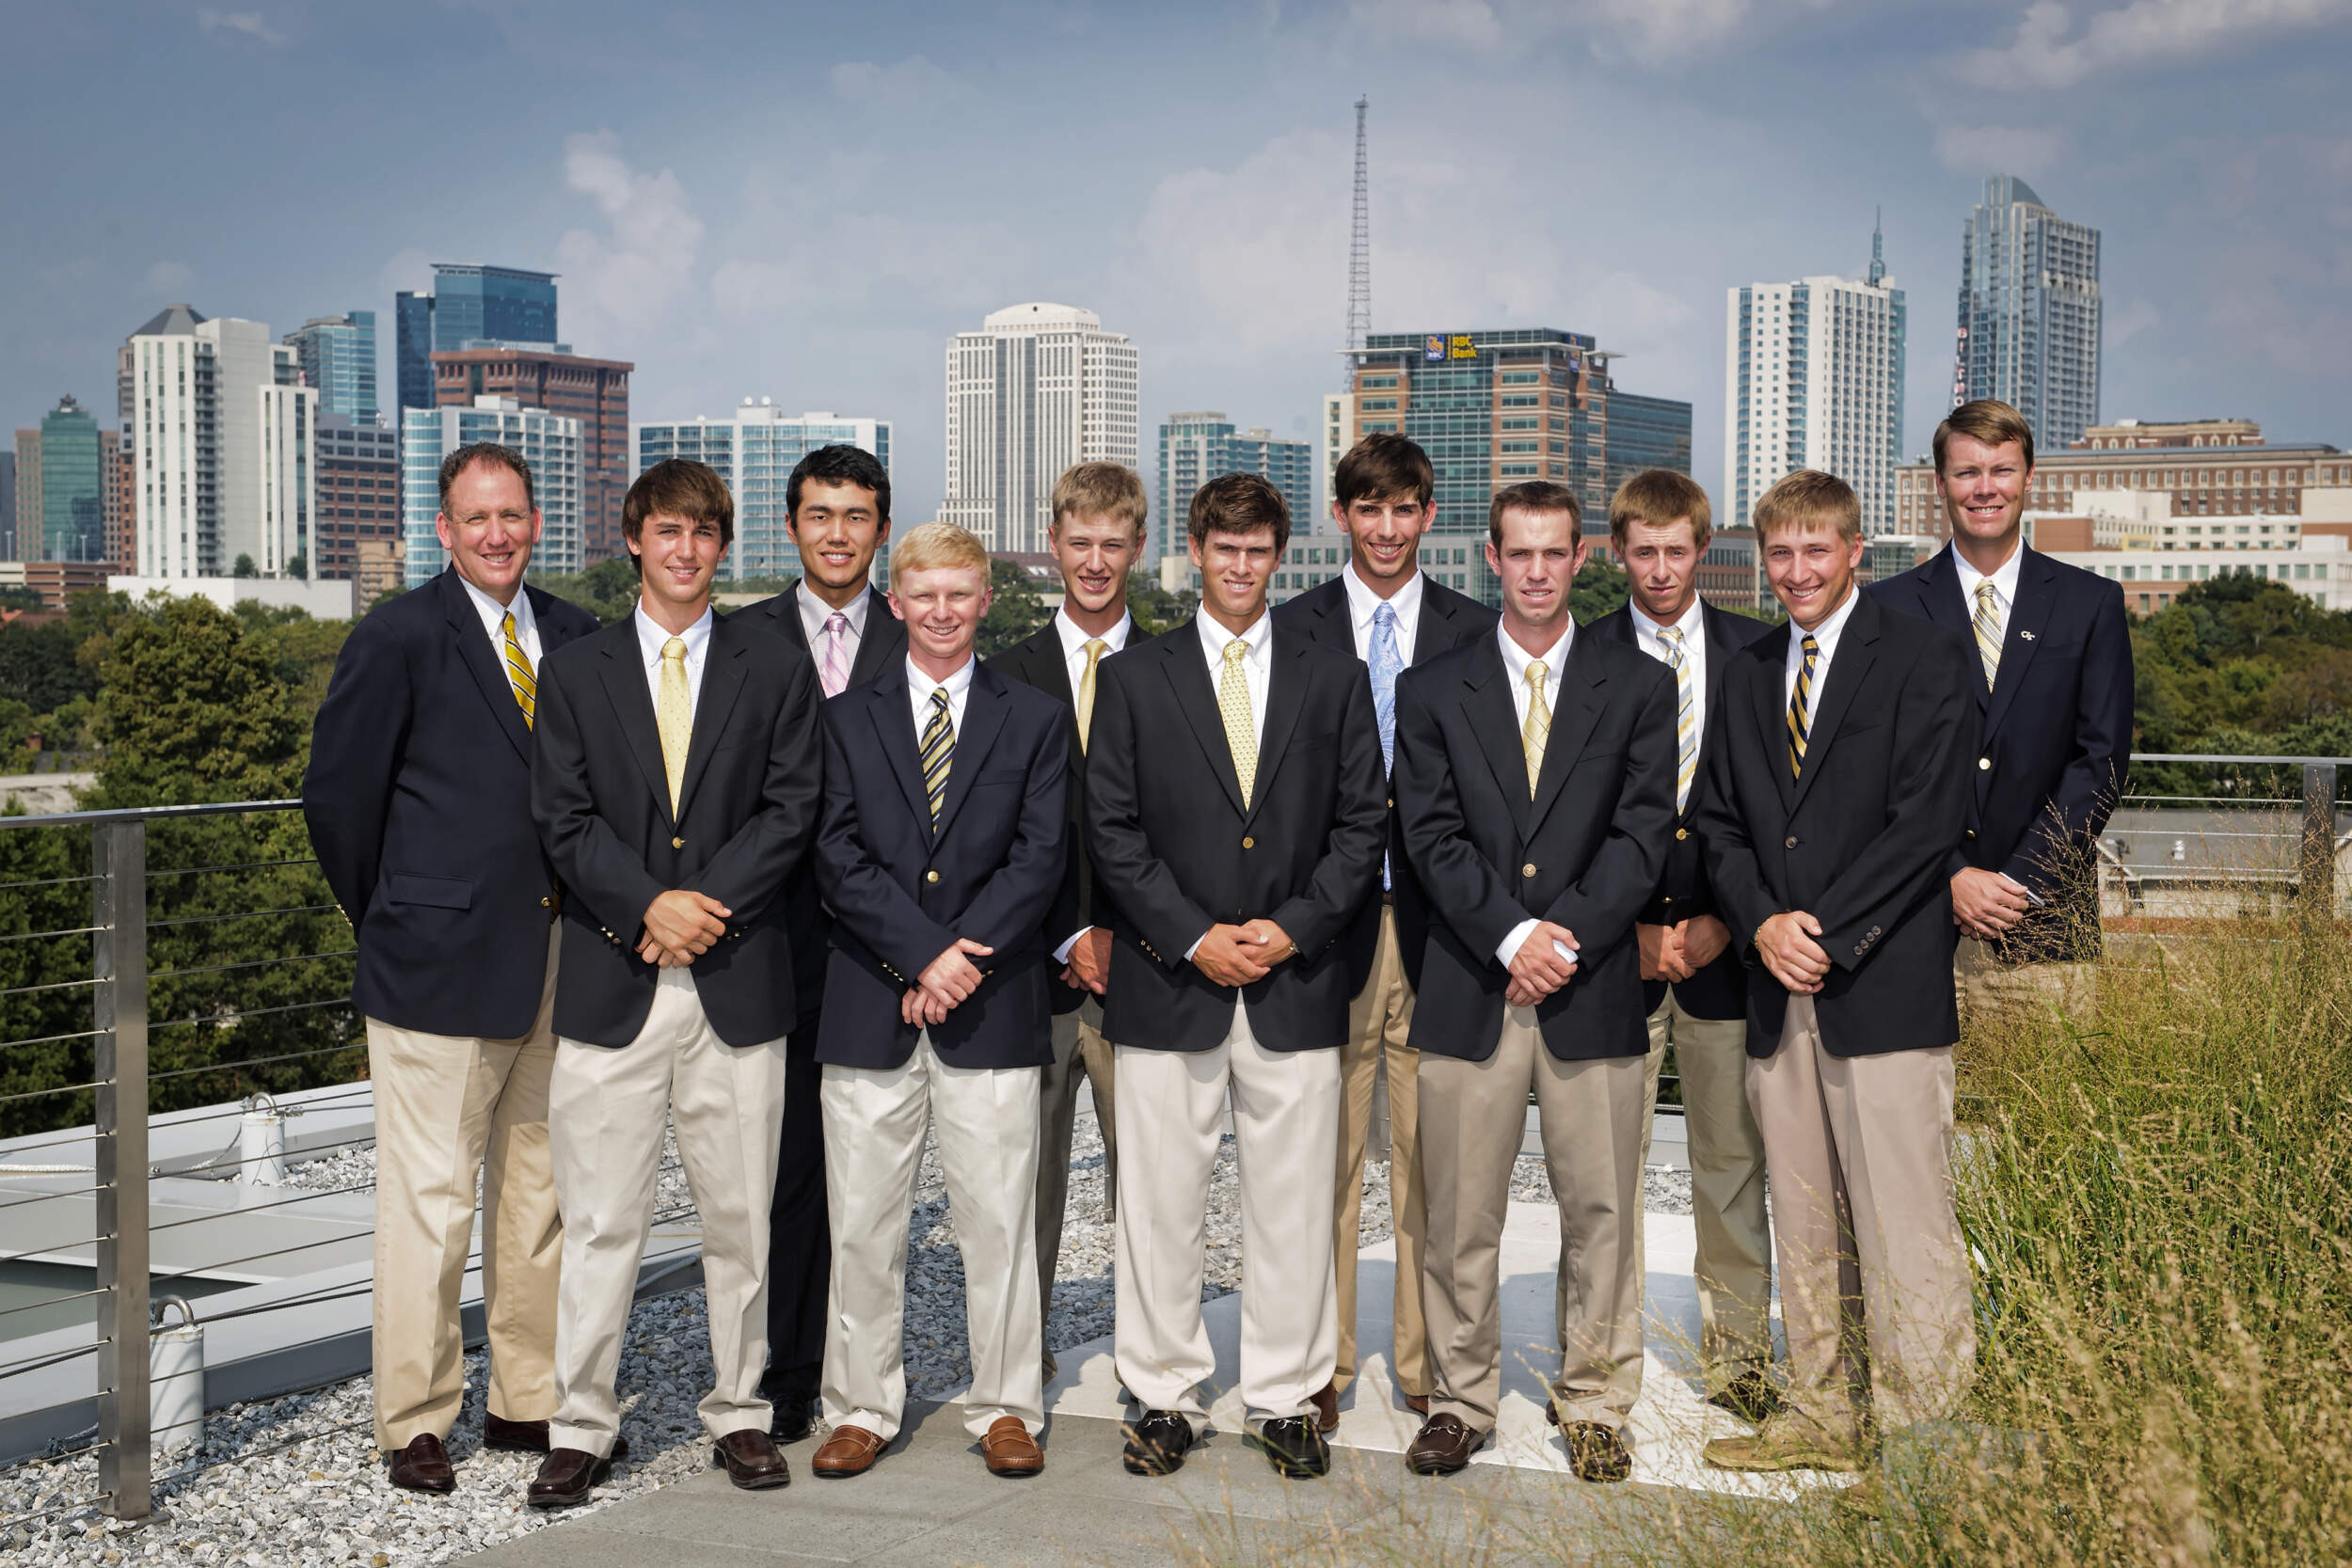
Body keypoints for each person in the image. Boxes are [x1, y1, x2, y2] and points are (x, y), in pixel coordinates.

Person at [525, 458, 823, 1508]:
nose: (686, 549)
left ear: (723, 545)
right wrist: (646, 905)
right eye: (667, 531)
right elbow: (562, 818)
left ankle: (739, 1413)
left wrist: (702, 906)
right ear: (634, 540)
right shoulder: (574, 671)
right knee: (603, 1219)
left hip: (738, 979)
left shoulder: (775, 663)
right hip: (614, 979)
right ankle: (583, 1421)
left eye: (704, 532)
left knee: (739, 1216)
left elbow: (793, 809)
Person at [304, 444, 600, 1494]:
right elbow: (338, 801)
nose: (496, 534)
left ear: (535, 520)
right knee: (430, 1204)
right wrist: (388, 913)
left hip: (559, 963)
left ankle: (526, 1398)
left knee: (541, 1193)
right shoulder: (396, 637)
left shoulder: (572, 634)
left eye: (512, 514)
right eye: (476, 518)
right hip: (432, 967)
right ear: (443, 527)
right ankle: (417, 1415)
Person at [1086, 472, 1387, 1480]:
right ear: (1195, 549)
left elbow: (1361, 827)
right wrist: (1191, 933)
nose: (1242, 565)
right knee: (1161, 1201)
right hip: (1170, 978)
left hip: (1292, 979)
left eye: (1259, 549)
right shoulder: (1135, 677)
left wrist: (1292, 930)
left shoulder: (1331, 674)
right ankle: (1163, 1394)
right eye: (1225, 548)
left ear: (1280, 552)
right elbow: (1112, 833)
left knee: (1295, 1201)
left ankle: (1285, 1397)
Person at [1695, 469, 1979, 1484]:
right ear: (1761, 557)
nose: (1798, 570)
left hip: (1882, 988)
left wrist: (1828, 932)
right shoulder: (1747, 669)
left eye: (1818, 550)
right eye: (1780, 552)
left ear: (1857, 549)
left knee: (1906, 1228)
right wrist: (1763, 923)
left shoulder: (1923, 656)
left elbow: (1929, 820)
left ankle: (1922, 1446)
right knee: (1806, 1221)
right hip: (1779, 986)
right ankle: (1822, 1413)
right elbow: (1719, 820)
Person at [1391, 481, 1677, 1483]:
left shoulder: (1637, 683)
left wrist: (1566, 937)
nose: (1539, 571)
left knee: (1601, 1212)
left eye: (1556, 553)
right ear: (1490, 555)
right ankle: (1460, 1400)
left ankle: (1596, 1401)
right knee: (1459, 1215)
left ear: (1581, 556)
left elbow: (1644, 835)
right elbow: (1426, 834)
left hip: (1589, 987)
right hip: (1472, 982)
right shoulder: (1431, 687)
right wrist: (1513, 936)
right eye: (1521, 553)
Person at [805, 522, 1070, 1481]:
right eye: (926, 594)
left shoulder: (1034, 718)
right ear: (896, 601)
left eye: (961, 592)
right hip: (871, 1000)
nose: (944, 610)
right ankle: (861, 1405)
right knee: (864, 1222)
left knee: (997, 1220)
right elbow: (835, 854)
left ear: (985, 597)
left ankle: (1005, 1403)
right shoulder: (843, 717)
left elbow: (1039, 857)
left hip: (992, 1004)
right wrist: (922, 955)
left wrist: (959, 963)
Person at [1272, 432, 1495, 1431]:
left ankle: (1419, 1359)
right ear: (1341, 516)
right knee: (1321, 1154)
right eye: (1369, 509)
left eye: (1405, 508)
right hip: (1333, 922)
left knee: (1428, 1155)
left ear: (1428, 515)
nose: (1388, 527)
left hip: (1443, 924)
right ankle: (1315, 1360)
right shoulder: (1293, 628)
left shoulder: (1475, 629)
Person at [1584, 469, 1779, 1420]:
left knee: (1731, 1161)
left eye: (1677, 549)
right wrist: (1621, 925)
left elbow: (1780, 811)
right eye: (1642, 549)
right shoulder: (1579, 656)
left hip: (1723, 947)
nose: (1659, 568)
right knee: (1601, 1173)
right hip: (1612, 952)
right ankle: (1598, 1367)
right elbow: (1561, 820)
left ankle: (1740, 1357)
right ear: (1618, 550)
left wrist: (1722, 920)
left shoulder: (1758, 653)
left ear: (1704, 550)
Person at [734, 444, 906, 1443]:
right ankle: (790, 1374)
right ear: (791, 526)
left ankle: (869, 1375)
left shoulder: (920, 630)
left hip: (889, 947)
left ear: (882, 527)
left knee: (878, 1183)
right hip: (775, 944)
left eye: (856, 515)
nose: (837, 533)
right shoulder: (741, 637)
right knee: (791, 1172)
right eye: (819, 514)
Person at [1867, 400, 2132, 1027]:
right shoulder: (1883, 610)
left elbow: (2102, 762)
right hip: (1916, 928)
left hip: (2045, 934)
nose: (1985, 488)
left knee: (2049, 1125)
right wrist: (1952, 875)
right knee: (1912, 1126)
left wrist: (2015, 885)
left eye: (2002, 470)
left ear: (2029, 477)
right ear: (1940, 485)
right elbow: (1872, 766)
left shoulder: (2090, 603)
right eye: (1966, 472)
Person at [985, 462, 1141, 1381]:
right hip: (1032, 974)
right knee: (1022, 1184)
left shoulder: (1173, 669)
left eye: (1111, 543)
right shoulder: (1005, 676)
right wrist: (1064, 933)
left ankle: (1146, 1356)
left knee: (1148, 1189)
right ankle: (1015, 1356)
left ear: (1136, 548)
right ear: (1054, 544)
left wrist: (1120, 932)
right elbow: (996, 836)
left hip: (1139, 974)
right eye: (1077, 541)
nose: (1093, 560)